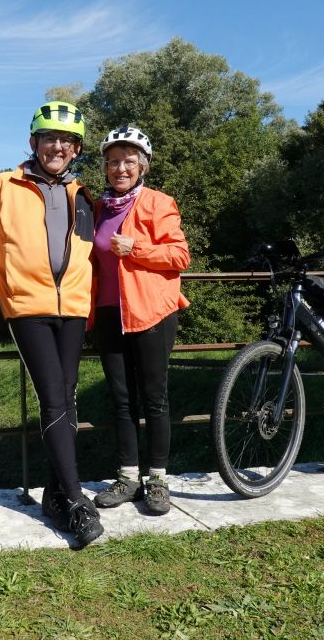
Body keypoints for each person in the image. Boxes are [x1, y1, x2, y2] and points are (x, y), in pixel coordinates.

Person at [0, 101, 103, 547]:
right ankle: (78, 502)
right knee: (54, 398)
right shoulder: (4, 184)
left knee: (68, 400)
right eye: (48, 138)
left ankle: (55, 496)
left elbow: (91, 254)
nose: (56, 146)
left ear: (76, 149)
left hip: (74, 309)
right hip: (26, 308)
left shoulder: (83, 195)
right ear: (33, 143)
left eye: (66, 141)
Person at [91, 125, 191, 516]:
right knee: (120, 399)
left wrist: (137, 248)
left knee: (154, 399)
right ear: (105, 167)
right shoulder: (98, 208)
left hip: (151, 312)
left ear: (143, 166)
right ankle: (128, 476)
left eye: (128, 162)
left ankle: (158, 480)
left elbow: (179, 256)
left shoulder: (157, 203)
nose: (120, 169)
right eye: (113, 162)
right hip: (108, 313)